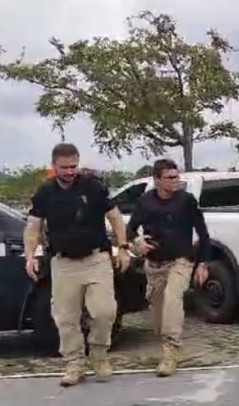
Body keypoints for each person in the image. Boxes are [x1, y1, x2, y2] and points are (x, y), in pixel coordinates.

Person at [23, 143, 130, 387]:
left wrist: (122, 247)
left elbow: (114, 216)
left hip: (96, 259)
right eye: (65, 167)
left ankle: (99, 355)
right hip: (63, 263)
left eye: (74, 166)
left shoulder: (92, 187)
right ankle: (74, 363)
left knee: (104, 312)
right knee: (65, 318)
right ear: (54, 167)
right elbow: (33, 226)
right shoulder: (46, 192)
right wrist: (30, 255)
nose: (70, 171)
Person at [127, 158, 210, 377]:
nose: (176, 181)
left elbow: (203, 233)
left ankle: (170, 354)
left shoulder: (186, 201)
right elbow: (130, 230)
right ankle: (168, 346)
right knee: (159, 313)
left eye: (177, 176)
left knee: (173, 301)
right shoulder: (145, 201)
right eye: (170, 177)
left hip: (181, 261)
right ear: (157, 180)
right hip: (154, 264)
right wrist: (137, 243)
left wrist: (203, 262)